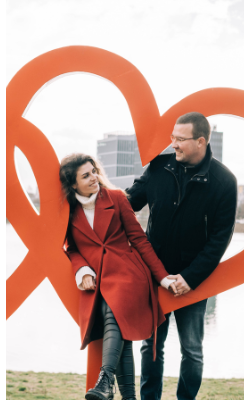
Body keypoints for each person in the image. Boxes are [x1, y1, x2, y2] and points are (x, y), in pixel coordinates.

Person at [127, 112, 237, 400]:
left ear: (200, 141)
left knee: (192, 350)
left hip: (193, 282)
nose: (172, 144)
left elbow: (218, 241)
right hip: (154, 277)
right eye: (171, 137)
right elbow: (126, 207)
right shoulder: (158, 168)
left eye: (179, 139)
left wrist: (189, 278)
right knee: (150, 347)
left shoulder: (224, 182)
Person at [60, 154, 176, 400]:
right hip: (98, 279)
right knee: (121, 334)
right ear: (73, 184)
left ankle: (104, 380)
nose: (94, 178)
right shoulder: (68, 211)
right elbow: (71, 248)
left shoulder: (116, 198)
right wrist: (82, 269)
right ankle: (129, 398)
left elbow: (140, 240)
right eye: (86, 176)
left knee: (113, 309)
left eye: (94, 171)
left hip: (128, 273)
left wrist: (163, 277)